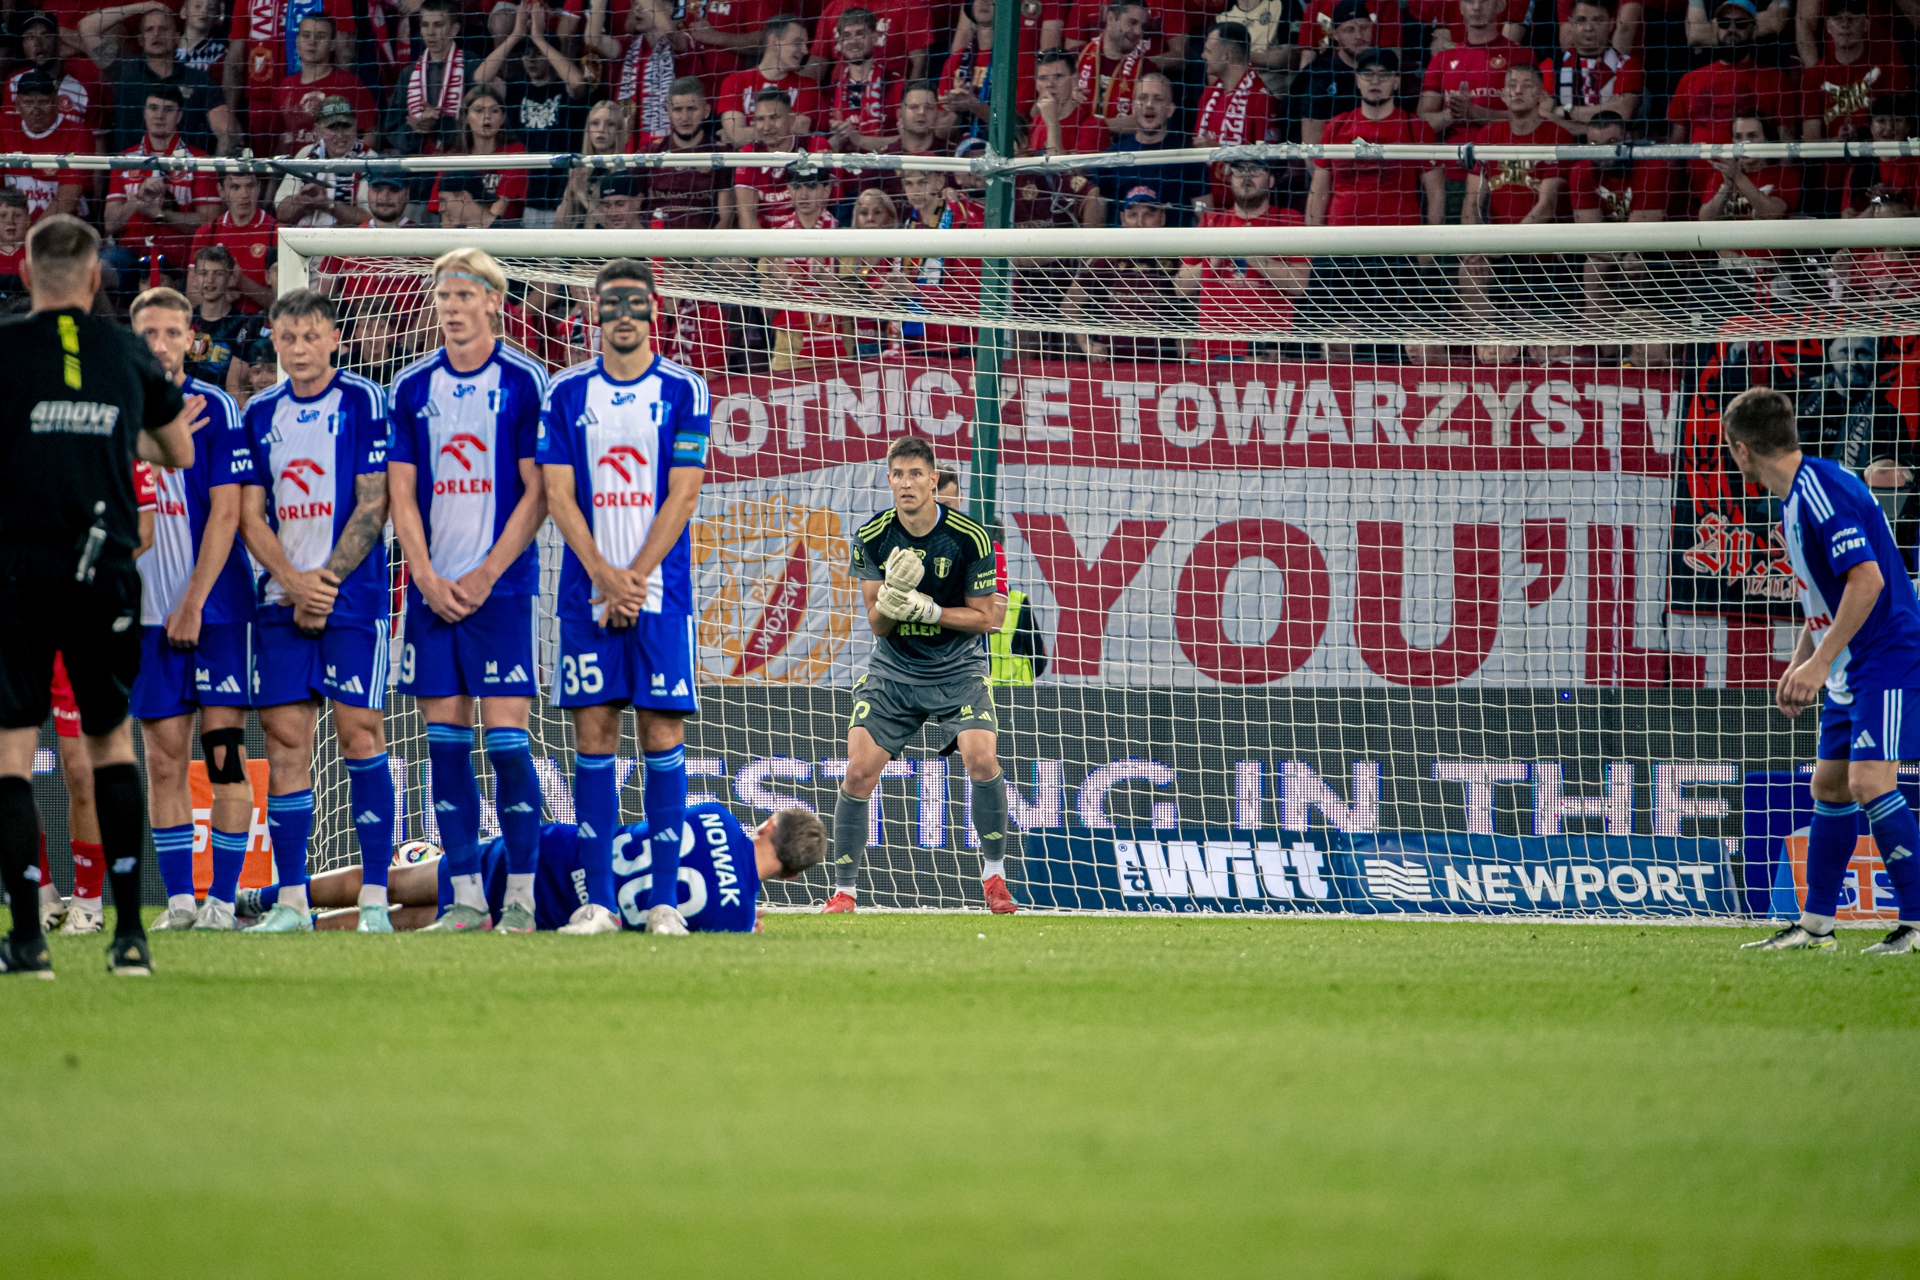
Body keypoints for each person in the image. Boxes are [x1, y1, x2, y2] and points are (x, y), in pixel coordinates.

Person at [0, 214, 198, 979]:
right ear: (94, 280)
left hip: (18, 569)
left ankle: (27, 942)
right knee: (113, 744)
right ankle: (130, 938)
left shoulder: (5, 348)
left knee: (12, 752)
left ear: (25, 276)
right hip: (105, 568)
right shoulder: (125, 351)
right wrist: (111, 436)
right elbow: (178, 452)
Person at [538, 259, 711, 936]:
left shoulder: (684, 388)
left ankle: (665, 903)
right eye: (611, 304)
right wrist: (605, 579)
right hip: (588, 597)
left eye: (636, 303)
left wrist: (631, 579)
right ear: (595, 313)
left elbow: (684, 495)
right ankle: (599, 904)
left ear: (654, 310)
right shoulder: (565, 391)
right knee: (594, 736)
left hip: (661, 597)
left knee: (663, 734)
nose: (624, 316)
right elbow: (557, 495)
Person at [385, 249, 551, 935]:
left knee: (507, 744)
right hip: (431, 595)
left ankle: (522, 898)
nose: (451, 307)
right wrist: (424, 576)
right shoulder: (411, 386)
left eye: (463, 294)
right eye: (442, 295)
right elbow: (400, 491)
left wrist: (485, 574)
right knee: (445, 746)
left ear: (493, 302)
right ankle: (464, 900)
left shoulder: (524, 380)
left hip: (501, 594)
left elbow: (539, 492)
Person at [1728, 386, 1920, 955]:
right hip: (1848, 660)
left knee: (1869, 781)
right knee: (1830, 786)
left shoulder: (1821, 492)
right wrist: (1801, 663)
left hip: (1884, 654)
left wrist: (1820, 660)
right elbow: (1825, 594)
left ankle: (1917, 924)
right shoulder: (1798, 494)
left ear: (1742, 450)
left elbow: (1868, 581)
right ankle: (1815, 928)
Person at [235, 289, 395, 934]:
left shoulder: (365, 400)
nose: (299, 349)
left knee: (361, 734)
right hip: (279, 601)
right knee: (285, 743)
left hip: (353, 600)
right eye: (287, 338)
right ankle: (293, 902)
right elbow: (248, 514)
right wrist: (292, 583)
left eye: (310, 337)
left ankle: (377, 899)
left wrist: (322, 584)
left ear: (335, 340)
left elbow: (374, 504)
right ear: (274, 342)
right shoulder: (258, 412)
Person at [825, 437, 1013, 915]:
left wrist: (929, 610)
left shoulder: (970, 538)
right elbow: (877, 624)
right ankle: (844, 892)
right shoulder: (872, 536)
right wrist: (893, 597)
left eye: (915, 474)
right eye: (898, 474)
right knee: (858, 771)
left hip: (958, 668)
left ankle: (994, 876)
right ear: (889, 480)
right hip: (895, 669)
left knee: (981, 759)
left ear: (933, 480)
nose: (906, 483)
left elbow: (986, 618)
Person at [125, 286, 256, 932]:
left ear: (192, 340)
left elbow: (229, 514)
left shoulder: (218, 408)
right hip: (148, 613)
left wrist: (194, 603)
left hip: (217, 612)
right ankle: (180, 902)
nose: (159, 345)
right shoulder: (116, 410)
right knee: (163, 761)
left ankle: (222, 902)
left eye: (171, 333)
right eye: (147, 334)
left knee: (224, 756)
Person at [242, 804, 828, 933]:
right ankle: (303, 931)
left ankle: (263, 901)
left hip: (550, 856)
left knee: (392, 881)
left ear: (767, 824)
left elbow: (650, 825)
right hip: (550, 913)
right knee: (402, 921)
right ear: (790, 875)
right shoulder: (738, 920)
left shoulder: (716, 817)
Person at [1666, 0, 1794, 205]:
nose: (1731, 29)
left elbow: (1787, 146)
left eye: (1740, 24)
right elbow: (1676, 147)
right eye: (1724, 24)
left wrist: (1781, 197)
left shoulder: (1777, 80)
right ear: (1717, 29)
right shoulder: (1689, 80)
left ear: (1754, 30)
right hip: (1698, 198)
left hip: (1758, 198)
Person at [477, 0, 590, 229]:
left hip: (560, 194)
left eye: (537, 53)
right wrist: (516, 34)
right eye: (526, 53)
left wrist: (539, 38)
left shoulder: (563, 89)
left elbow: (578, 82)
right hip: (526, 195)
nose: (530, 58)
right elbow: (480, 78)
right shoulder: (516, 90)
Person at [1416, 0, 1528, 219]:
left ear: (1499, 6)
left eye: (1484, 1)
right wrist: (1452, 114)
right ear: (1460, 7)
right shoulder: (1443, 59)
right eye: (1469, 1)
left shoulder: (1520, 56)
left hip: (1507, 172)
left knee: (1508, 239)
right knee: (1454, 240)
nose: (1476, 7)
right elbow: (1423, 122)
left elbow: (1532, 119)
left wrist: (1477, 114)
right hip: (1453, 175)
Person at [1799, 0, 1911, 218]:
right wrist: (1837, 142)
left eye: (1852, 18)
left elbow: (1903, 120)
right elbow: (1810, 142)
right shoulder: (1814, 76)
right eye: (1838, 18)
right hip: (1832, 182)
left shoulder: (1888, 59)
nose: (1845, 24)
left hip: (1881, 179)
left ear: (1866, 24)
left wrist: (1863, 133)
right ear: (1828, 25)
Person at [105, 85, 222, 285]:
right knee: (99, 270)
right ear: (144, 112)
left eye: (168, 109)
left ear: (179, 116)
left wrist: (160, 215)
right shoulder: (125, 159)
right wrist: (137, 200)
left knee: (161, 281)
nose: (159, 115)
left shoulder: (199, 160)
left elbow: (210, 222)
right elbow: (109, 224)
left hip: (178, 258)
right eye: (153, 108)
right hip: (131, 254)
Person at [1061, 184, 1189, 361]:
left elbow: (1197, 301)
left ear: (1162, 218)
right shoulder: (1107, 258)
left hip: (1164, 365)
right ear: (1122, 219)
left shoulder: (1176, 258)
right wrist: (1086, 345)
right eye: (1132, 215)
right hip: (1114, 366)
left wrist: (1189, 339)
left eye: (1148, 215)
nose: (1139, 223)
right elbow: (1068, 306)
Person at [107, 4, 231, 153]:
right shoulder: (122, 70)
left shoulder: (198, 80)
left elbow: (225, 128)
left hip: (184, 166)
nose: (156, 34)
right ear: (140, 39)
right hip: (130, 166)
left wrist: (218, 158)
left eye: (164, 29)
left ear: (177, 38)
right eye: (149, 29)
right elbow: (87, 29)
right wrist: (143, 6)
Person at [1089, 71, 1206, 224]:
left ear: (1170, 110)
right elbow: (1094, 226)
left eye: (1158, 99)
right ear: (1134, 107)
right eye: (1143, 98)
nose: (1149, 105)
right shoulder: (1112, 158)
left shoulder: (1190, 160)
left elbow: (1205, 220)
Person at [761, 167, 843, 370]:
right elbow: (766, 310)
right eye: (797, 187)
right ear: (789, 190)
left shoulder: (844, 236)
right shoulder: (775, 239)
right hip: (787, 351)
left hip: (836, 349)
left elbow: (852, 302)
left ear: (826, 190)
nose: (804, 194)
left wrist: (824, 277)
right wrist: (779, 285)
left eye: (811, 186)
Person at [1194, 22, 1278, 211]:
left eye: (1208, 50)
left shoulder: (1261, 99)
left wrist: (1221, 150)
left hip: (1247, 210)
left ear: (1227, 55)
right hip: (1207, 206)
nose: (1203, 55)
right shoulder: (1208, 96)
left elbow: (1269, 161)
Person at [269, 13, 376, 153]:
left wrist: (352, 162)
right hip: (293, 165)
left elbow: (371, 131)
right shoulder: (286, 86)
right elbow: (279, 137)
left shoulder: (350, 84)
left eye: (320, 37)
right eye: (306, 36)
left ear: (332, 44)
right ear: (297, 41)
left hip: (334, 166)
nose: (312, 42)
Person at [1540, 0, 1642, 137]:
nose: (1589, 28)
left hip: (1611, 147)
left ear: (1611, 24)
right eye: (1581, 20)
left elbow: (1622, 112)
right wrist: (1591, 129)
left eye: (1598, 20)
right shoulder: (1551, 66)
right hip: (1566, 146)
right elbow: (1542, 117)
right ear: (1572, 24)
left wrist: (1567, 111)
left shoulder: (1628, 65)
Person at [0, 71, 91, 222]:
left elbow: (67, 202)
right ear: (18, 104)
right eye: (29, 103)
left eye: (43, 102)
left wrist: (31, 233)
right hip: (14, 227)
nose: (36, 110)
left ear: (56, 102)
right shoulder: (5, 128)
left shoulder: (77, 134)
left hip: (63, 228)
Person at [272, 96, 373, 228]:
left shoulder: (369, 158)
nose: (340, 135)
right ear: (318, 130)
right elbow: (281, 213)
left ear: (355, 125)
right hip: (305, 237)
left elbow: (369, 217)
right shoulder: (306, 154)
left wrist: (328, 205)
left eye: (346, 126)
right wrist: (301, 200)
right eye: (332, 127)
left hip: (348, 239)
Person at [8, 9, 107, 145]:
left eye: (46, 35)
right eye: (30, 37)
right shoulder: (13, 83)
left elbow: (99, 145)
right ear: (23, 44)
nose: (38, 43)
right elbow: (6, 135)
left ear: (58, 39)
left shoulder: (86, 85)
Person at [386, 0, 471, 157]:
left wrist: (438, 124)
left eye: (438, 25)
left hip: (460, 159)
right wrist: (414, 129)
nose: (430, 32)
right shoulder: (408, 73)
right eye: (425, 25)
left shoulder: (472, 66)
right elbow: (393, 128)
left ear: (454, 29)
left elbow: (480, 121)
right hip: (418, 161)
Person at [586, 0, 677, 144]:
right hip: (627, 149)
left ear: (669, 8)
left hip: (667, 148)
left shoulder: (679, 43)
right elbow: (592, 39)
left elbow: (667, 29)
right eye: (634, 4)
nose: (637, 9)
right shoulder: (628, 45)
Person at [718, 14, 818, 145]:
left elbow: (800, 131)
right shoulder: (735, 82)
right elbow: (736, 136)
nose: (805, 51)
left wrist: (746, 133)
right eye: (797, 43)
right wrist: (783, 131)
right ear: (774, 41)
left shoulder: (807, 85)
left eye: (806, 44)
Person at [184, 246, 265, 398]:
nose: (210, 280)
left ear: (230, 278)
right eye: (203, 273)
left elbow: (238, 386)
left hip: (224, 405)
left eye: (218, 273)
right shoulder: (183, 321)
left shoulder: (245, 325)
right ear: (195, 279)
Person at [1290, 0, 1373, 147]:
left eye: (1364, 28)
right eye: (1350, 30)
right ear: (1335, 35)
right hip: (1331, 159)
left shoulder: (1382, 75)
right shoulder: (1321, 78)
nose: (1359, 36)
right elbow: (1311, 148)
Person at [191, 173, 277, 312]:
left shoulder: (277, 233)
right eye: (235, 187)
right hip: (217, 322)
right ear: (221, 191)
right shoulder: (206, 233)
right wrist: (222, 297)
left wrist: (242, 282)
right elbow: (192, 296)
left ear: (259, 187)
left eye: (250, 186)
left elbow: (283, 302)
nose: (244, 194)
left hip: (260, 322)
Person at [822, 8, 902, 154]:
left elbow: (908, 140)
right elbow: (821, 144)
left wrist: (859, 140)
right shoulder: (831, 90)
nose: (853, 41)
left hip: (883, 166)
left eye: (860, 34)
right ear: (839, 42)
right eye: (847, 36)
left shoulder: (894, 84)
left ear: (875, 37)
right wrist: (839, 138)